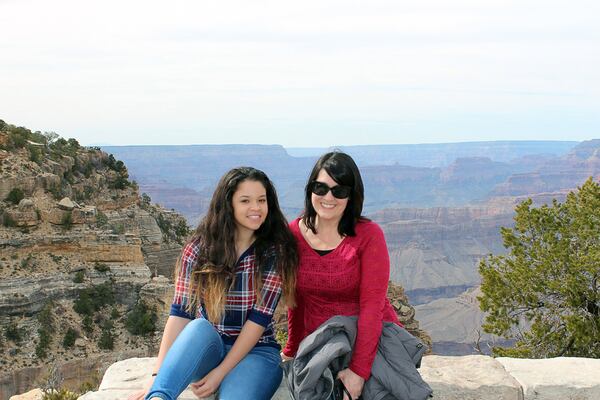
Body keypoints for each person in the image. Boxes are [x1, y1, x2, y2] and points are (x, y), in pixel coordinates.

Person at [128, 167, 297, 400]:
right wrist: (158, 376)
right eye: (245, 200)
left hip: (257, 352)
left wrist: (220, 374)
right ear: (229, 204)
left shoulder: (273, 252)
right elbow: (180, 313)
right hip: (211, 346)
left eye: (261, 200)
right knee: (197, 327)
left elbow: (258, 322)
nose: (256, 208)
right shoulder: (199, 248)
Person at [281, 152, 401, 400]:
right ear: (310, 189)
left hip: (370, 340)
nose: (328, 197)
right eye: (320, 188)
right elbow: (296, 300)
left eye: (339, 191)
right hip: (321, 342)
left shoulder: (368, 235)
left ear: (352, 195)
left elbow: (372, 307)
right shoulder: (293, 233)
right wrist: (292, 350)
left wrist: (358, 372)